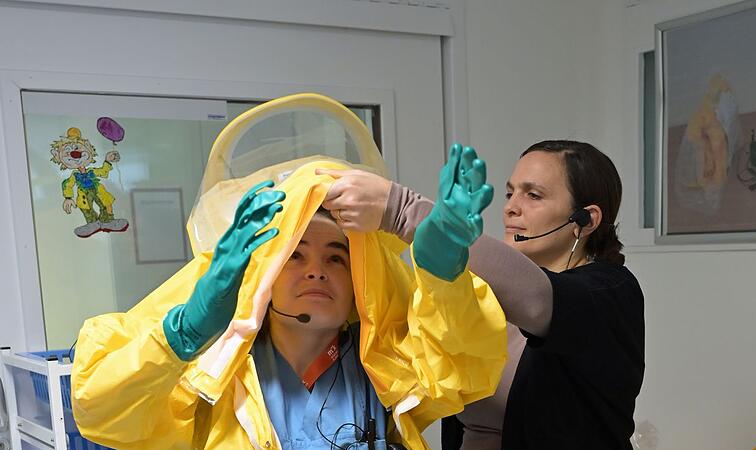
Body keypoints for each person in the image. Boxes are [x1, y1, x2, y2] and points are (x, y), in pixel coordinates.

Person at [71, 152, 506, 450]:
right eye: (294, 255)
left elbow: (463, 363)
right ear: (263, 276)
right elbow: (101, 412)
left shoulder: (388, 363)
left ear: (360, 281)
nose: (315, 270)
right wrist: (182, 335)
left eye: (336, 258)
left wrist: (443, 275)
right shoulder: (212, 373)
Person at [319, 140, 645, 449]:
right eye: (509, 193)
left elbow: (538, 299)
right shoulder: (484, 293)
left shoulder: (610, 293)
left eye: (533, 195)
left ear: (586, 221)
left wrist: (402, 210)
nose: (511, 209)